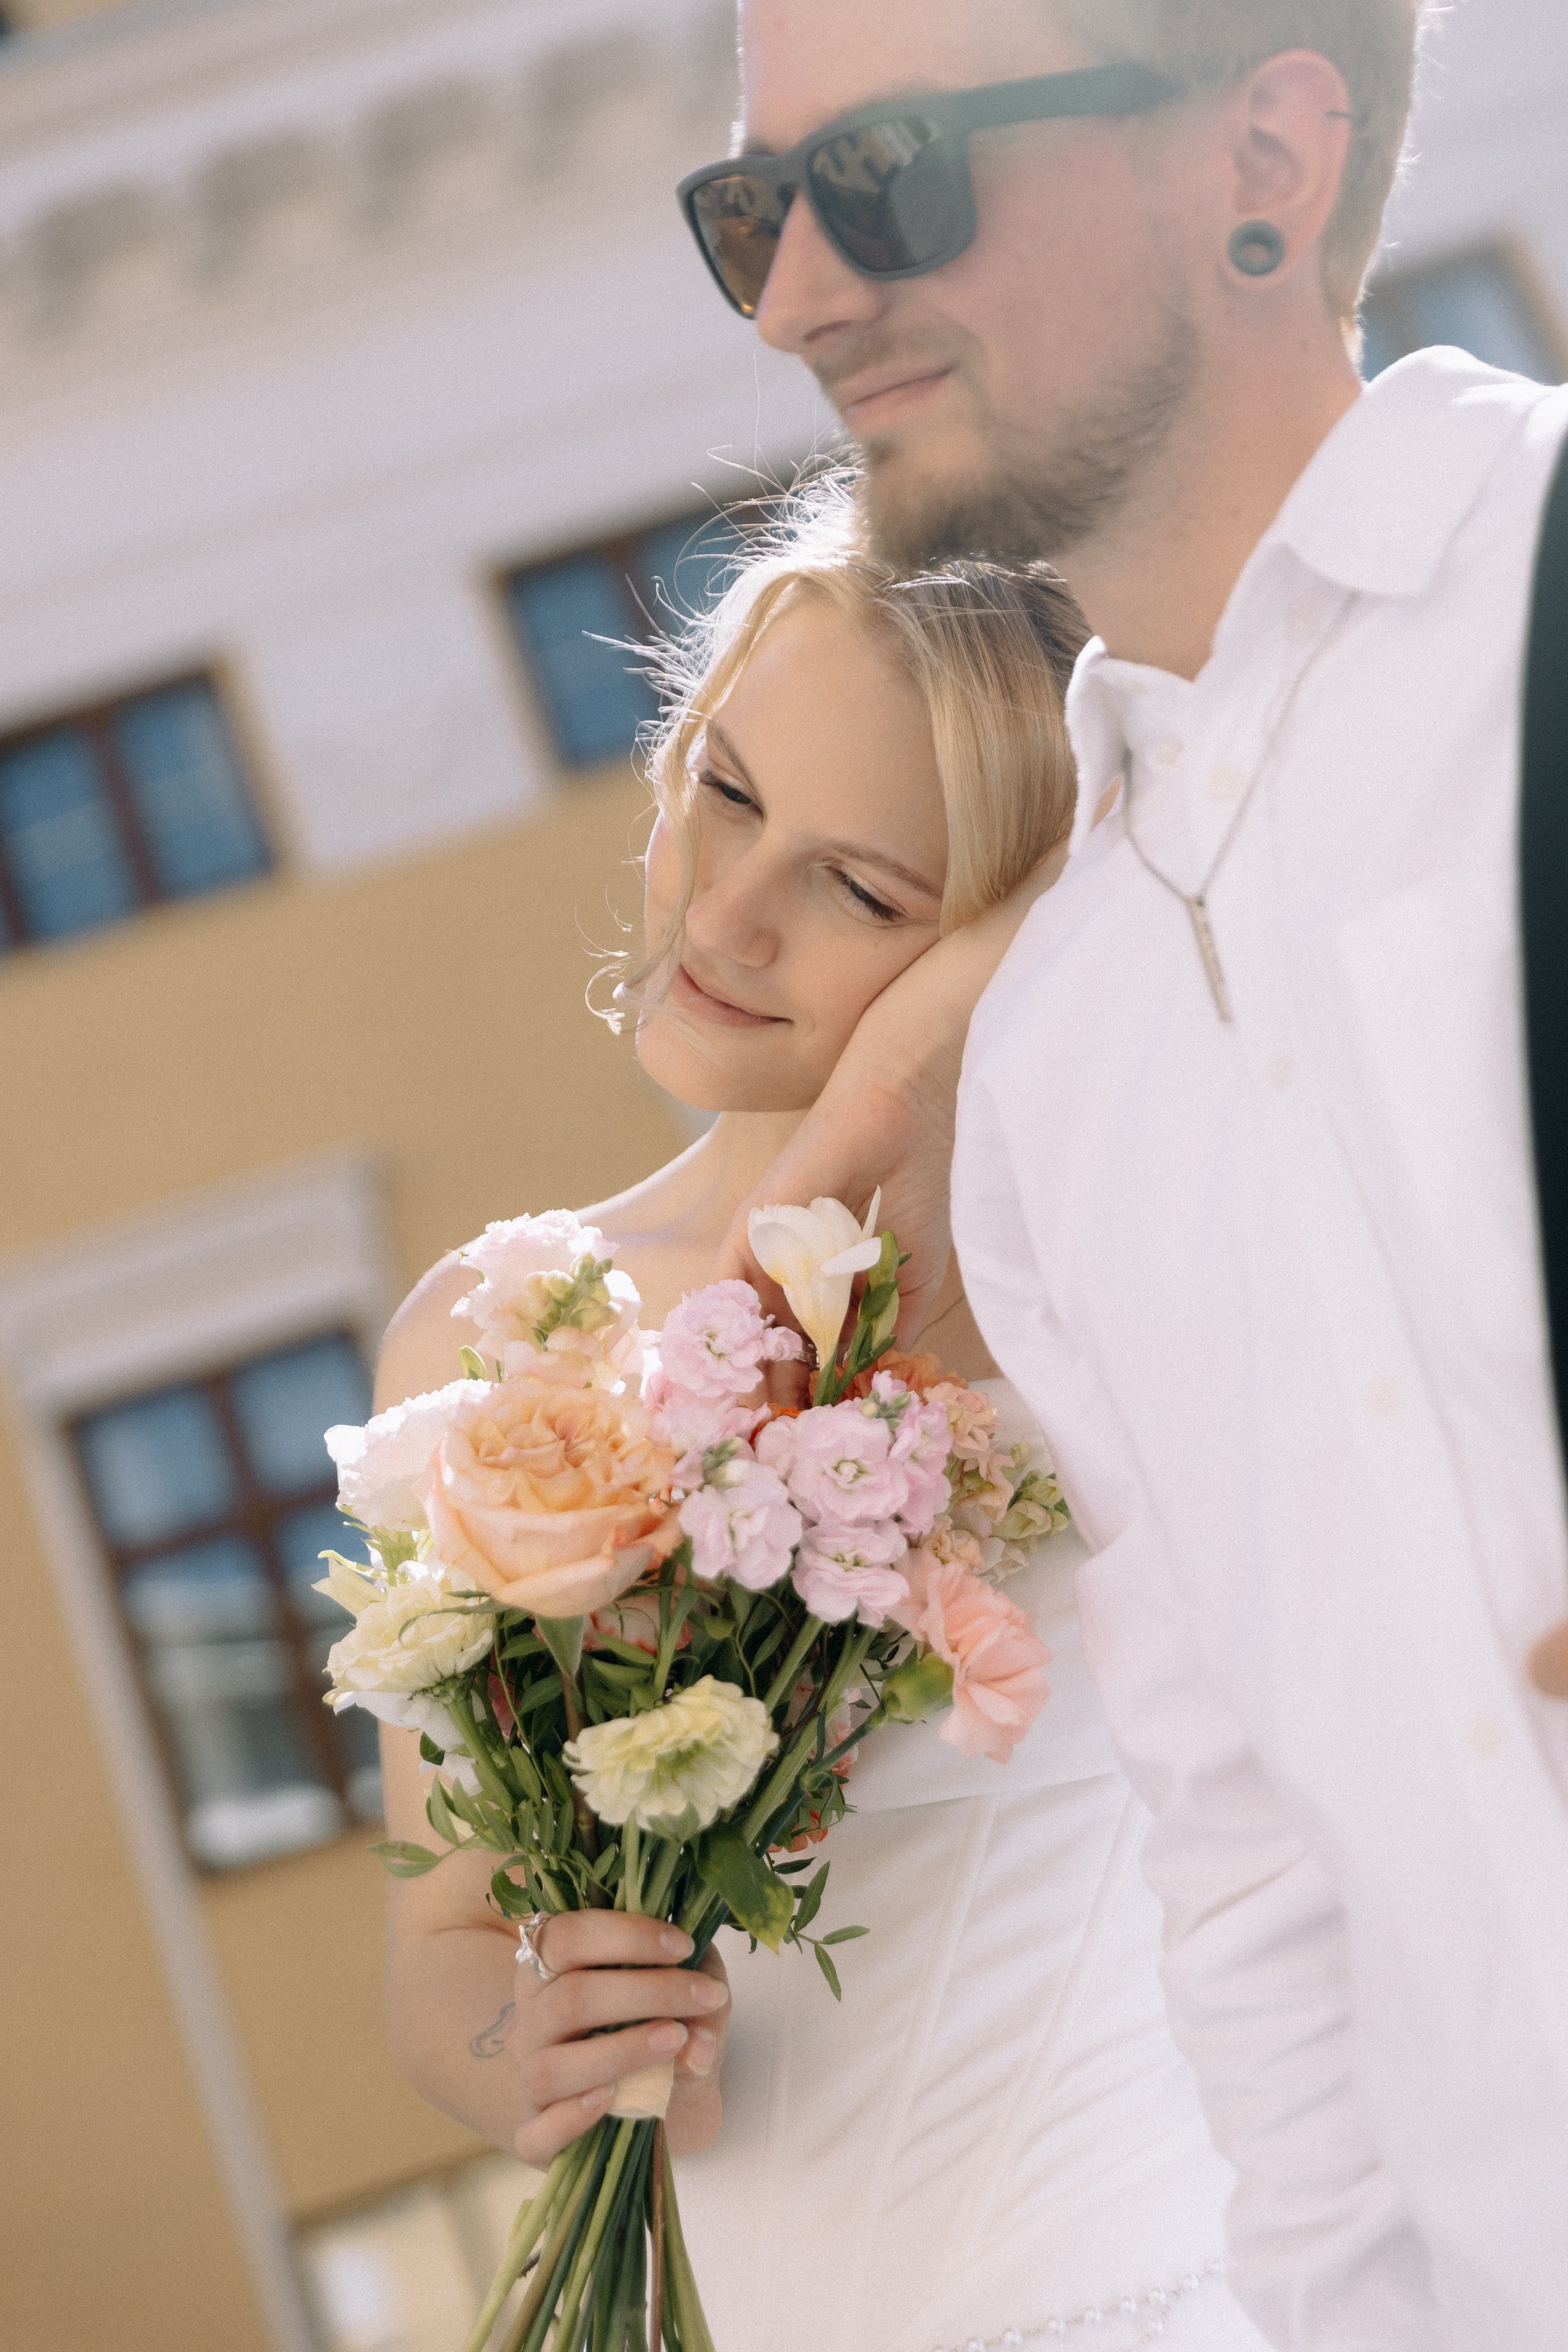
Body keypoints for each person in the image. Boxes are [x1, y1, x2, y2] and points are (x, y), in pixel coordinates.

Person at [680, 2, 1568, 2345]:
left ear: (1266, 147)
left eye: (889, 181)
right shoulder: (1059, 1062)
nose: (793, 299)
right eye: (751, 214)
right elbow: (1262, 1909)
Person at [373, 486, 1274, 2352]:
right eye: (723, 788)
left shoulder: (1110, 1299)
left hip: (1152, 2282)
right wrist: (533, 2032)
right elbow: (444, 1952)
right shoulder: (485, 1332)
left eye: (865, 894)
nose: (724, 912)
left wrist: (937, 1042)